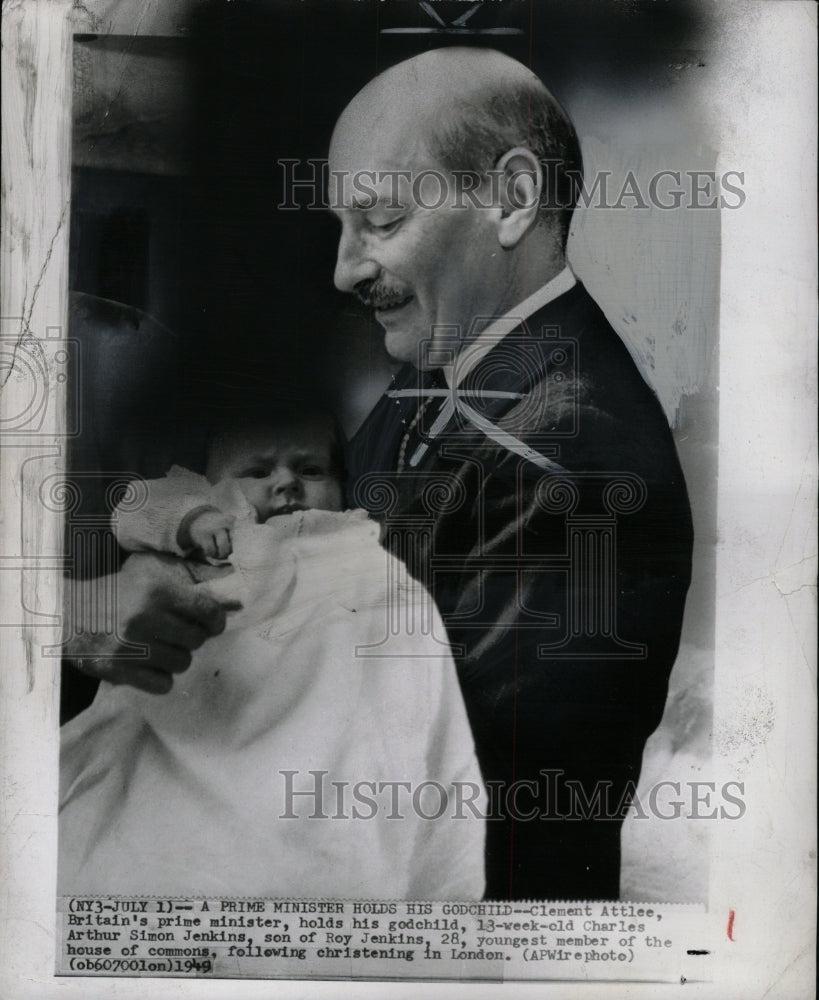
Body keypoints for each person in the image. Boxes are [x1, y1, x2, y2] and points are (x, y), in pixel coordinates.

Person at [327, 48, 694, 900]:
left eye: (379, 220)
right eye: (340, 228)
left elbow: (447, 775)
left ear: (512, 198)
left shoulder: (575, 456)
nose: (343, 269)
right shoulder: (457, 361)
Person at [59, 409, 485, 899]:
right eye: (257, 472)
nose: (286, 483)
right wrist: (194, 521)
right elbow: (137, 503)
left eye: (310, 471)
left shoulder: (354, 538)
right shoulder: (206, 523)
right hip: (212, 701)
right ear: (210, 484)